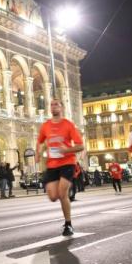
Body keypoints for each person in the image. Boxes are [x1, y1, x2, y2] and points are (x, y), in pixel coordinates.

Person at [36, 99, 84, 236]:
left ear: (62, 108)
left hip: (68, 163)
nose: (53, 106)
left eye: (57, 104)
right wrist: (38, 153)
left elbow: (80, 146)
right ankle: (64, 197)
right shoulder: (45, 126)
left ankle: (68, 224)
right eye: (51, 104)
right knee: (52, 197)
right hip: (52, 164)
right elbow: (39, 141)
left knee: (63, 194)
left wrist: (67, 150)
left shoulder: (68, 125)